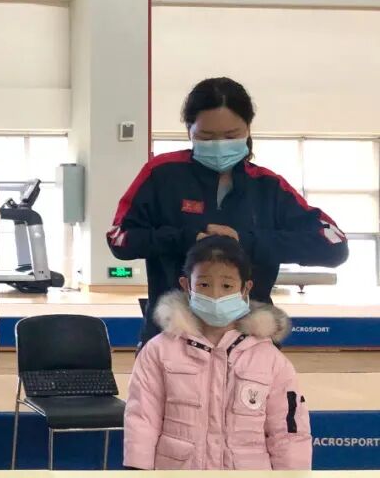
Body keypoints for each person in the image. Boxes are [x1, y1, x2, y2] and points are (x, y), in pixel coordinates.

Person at [108, 77, 347, 346]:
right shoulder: (161, 175)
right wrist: (186, 238)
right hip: (170, 339)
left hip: (250, 344)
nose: (220, 144)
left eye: (231, 136)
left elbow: (334, 247)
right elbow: (119, 239)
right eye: (207, 137)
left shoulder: (268, 186)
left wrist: (247, 241)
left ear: (248, 130)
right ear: (189, 131)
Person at [124, 236, 311, 470]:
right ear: (186, 286)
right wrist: (137, 471)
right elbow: (142, 419)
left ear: (245, 288)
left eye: (227, 286)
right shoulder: (159, 351)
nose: (215, 295)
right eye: (203, 285)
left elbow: (288, 431)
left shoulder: (270, 359)